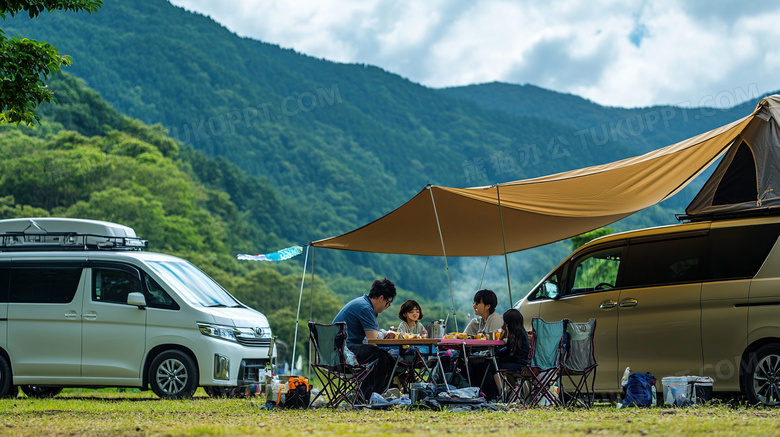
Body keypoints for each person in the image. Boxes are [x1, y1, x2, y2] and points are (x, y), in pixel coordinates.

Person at [332, 277, 397, 399]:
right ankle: (370, 396)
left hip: (336, 349)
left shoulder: (363, 303)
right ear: (381, 298)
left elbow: (370, 339)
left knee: (388, 358)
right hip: (342, 351)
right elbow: (372, 341)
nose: (387, 306)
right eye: (388, 302)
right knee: (380, 357)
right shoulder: (365, 308)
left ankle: (375, 393)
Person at [470, 308, 531, 401]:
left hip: (520, 364)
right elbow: (508, 349)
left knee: (494, 366)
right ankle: (505, 393)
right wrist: (497, 354)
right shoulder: (518, 331)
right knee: (491, 364)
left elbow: (513, 354)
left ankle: (502, 394)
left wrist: (498, 358)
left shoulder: (518, 334)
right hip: (518, 362)